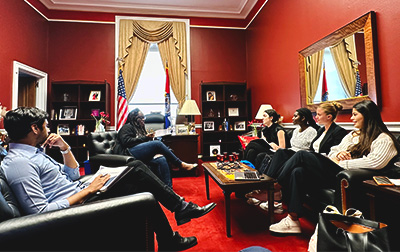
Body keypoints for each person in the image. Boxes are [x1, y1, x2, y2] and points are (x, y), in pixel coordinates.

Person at [2, 107, 217, 251]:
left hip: (81, 190)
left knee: (138, 180)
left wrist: (65, 149)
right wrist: (88, 190)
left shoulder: (34, 153)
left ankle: (170, 233)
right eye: (46, 125)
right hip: (78, 205)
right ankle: (178, 210)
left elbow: (73, 175)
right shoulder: (19, 163)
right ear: (34, 128)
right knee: (134, 167)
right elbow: (39, 213)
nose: (48, 129)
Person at [268, 100, 399, 234]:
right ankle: (293, 220)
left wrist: (343, 162)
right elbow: (333, 150)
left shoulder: (384, 138)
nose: (351, 118)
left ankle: (274, 187)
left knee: (302, 155)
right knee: (298, 171)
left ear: (367, 115)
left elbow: (375, 162)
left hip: (346, 175)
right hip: (336, 171)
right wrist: (339, 153)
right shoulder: (354, 134)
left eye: (355, 115)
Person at [246, 108, 318, 211]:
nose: (292, 118)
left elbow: (310, 149)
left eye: (295, 116)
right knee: (256, 151)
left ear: (303, 118)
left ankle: (267, 188)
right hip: (290, 152)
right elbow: (291, 146)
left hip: (300, 155)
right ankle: (261, 186)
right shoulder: (296, 130)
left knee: (267, 149)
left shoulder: (312, 131)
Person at [114, 108, 198, 187]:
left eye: (144, 117)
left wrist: (150, 140)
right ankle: (180, 164)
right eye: (141, 118)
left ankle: (169, 190)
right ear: (134, 118)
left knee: (161, 159)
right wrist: (146, 138)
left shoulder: (140, 128)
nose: (144, 119)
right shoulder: (127, 127)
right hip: (127, 153)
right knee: (157, 144)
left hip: (138, 153)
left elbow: (142, 142)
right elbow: (126, 142)